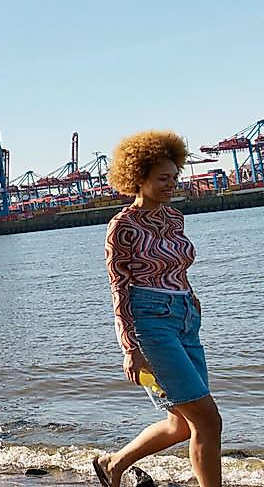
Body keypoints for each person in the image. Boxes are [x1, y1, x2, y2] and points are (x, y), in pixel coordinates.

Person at [91, 130, 222, 487]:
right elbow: (118, 288)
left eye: (174, 176)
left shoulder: (174, 218)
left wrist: (190, 302)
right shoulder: (122, 226)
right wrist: (130, 349)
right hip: (150, 324)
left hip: (185, 320)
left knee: (182, 425)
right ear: (138, 179)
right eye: (162, 179)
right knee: (208, 419)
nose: (172, 184)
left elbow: (177, 266)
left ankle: (113, 464)